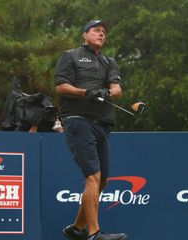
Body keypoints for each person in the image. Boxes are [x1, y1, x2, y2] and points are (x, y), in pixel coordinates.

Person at [54, 20, 127, 240]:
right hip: (78, 120)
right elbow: (61, 86)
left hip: (102, 122)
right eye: (96, 30)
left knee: (102, 179)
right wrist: (86, 92)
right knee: (93, 176)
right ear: (85, 35)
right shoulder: (71, 56)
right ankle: (94, 233)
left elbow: (117, 89)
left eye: (104, 32)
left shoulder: (109, 61)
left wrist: (107, 93)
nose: (101, 34)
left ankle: (76, 229)